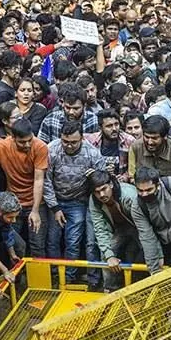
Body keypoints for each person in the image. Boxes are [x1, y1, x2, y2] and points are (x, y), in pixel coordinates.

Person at [0, 118, 48, 257]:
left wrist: (35, 210)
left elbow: (39, 179)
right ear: (13, 138)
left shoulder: (40, 147)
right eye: (22, 142)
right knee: (11, 245)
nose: (27, 145)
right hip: (12, 204)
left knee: (37, 245)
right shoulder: (2, 146)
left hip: (36, 203)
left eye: (29, 140)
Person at [44, 121, 105, 286]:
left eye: (73, 142)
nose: (69, 146)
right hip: (55, 200)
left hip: (78, 202)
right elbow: (46, 180)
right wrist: (55, 207)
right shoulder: (51, 150)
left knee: (73, 242)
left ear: (82, 138)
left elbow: (102, 179)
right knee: (53, 240)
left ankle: (69, 277)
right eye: (65, 141)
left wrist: (93, 177)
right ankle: (55, 275)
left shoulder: (92, 154)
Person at [88, 169, 143, 292]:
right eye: (97, 192)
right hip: (119, 228)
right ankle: (110, 289)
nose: (102, 195)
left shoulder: (129, 195)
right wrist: (109, 256)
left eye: (104, 189)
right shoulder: (94, 201)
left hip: (140, 227)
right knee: (106, 254)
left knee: (143, 255)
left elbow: (145, 224)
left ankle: (140, 289)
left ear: (111, 185)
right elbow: (100, 228)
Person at [128, 115, 171, 182]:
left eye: (154, 138)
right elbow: (131, 176)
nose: (150, 142)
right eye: (146, 137)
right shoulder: (135, 147)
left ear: (165, 137)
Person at [85, 108, 135, 181]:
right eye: (109, 126)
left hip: (122, 182)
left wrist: (125, 177)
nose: (114, 129)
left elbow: (135, 166)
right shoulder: (91, 141)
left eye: (116, 124)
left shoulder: (129, 141)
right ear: (100, 128)